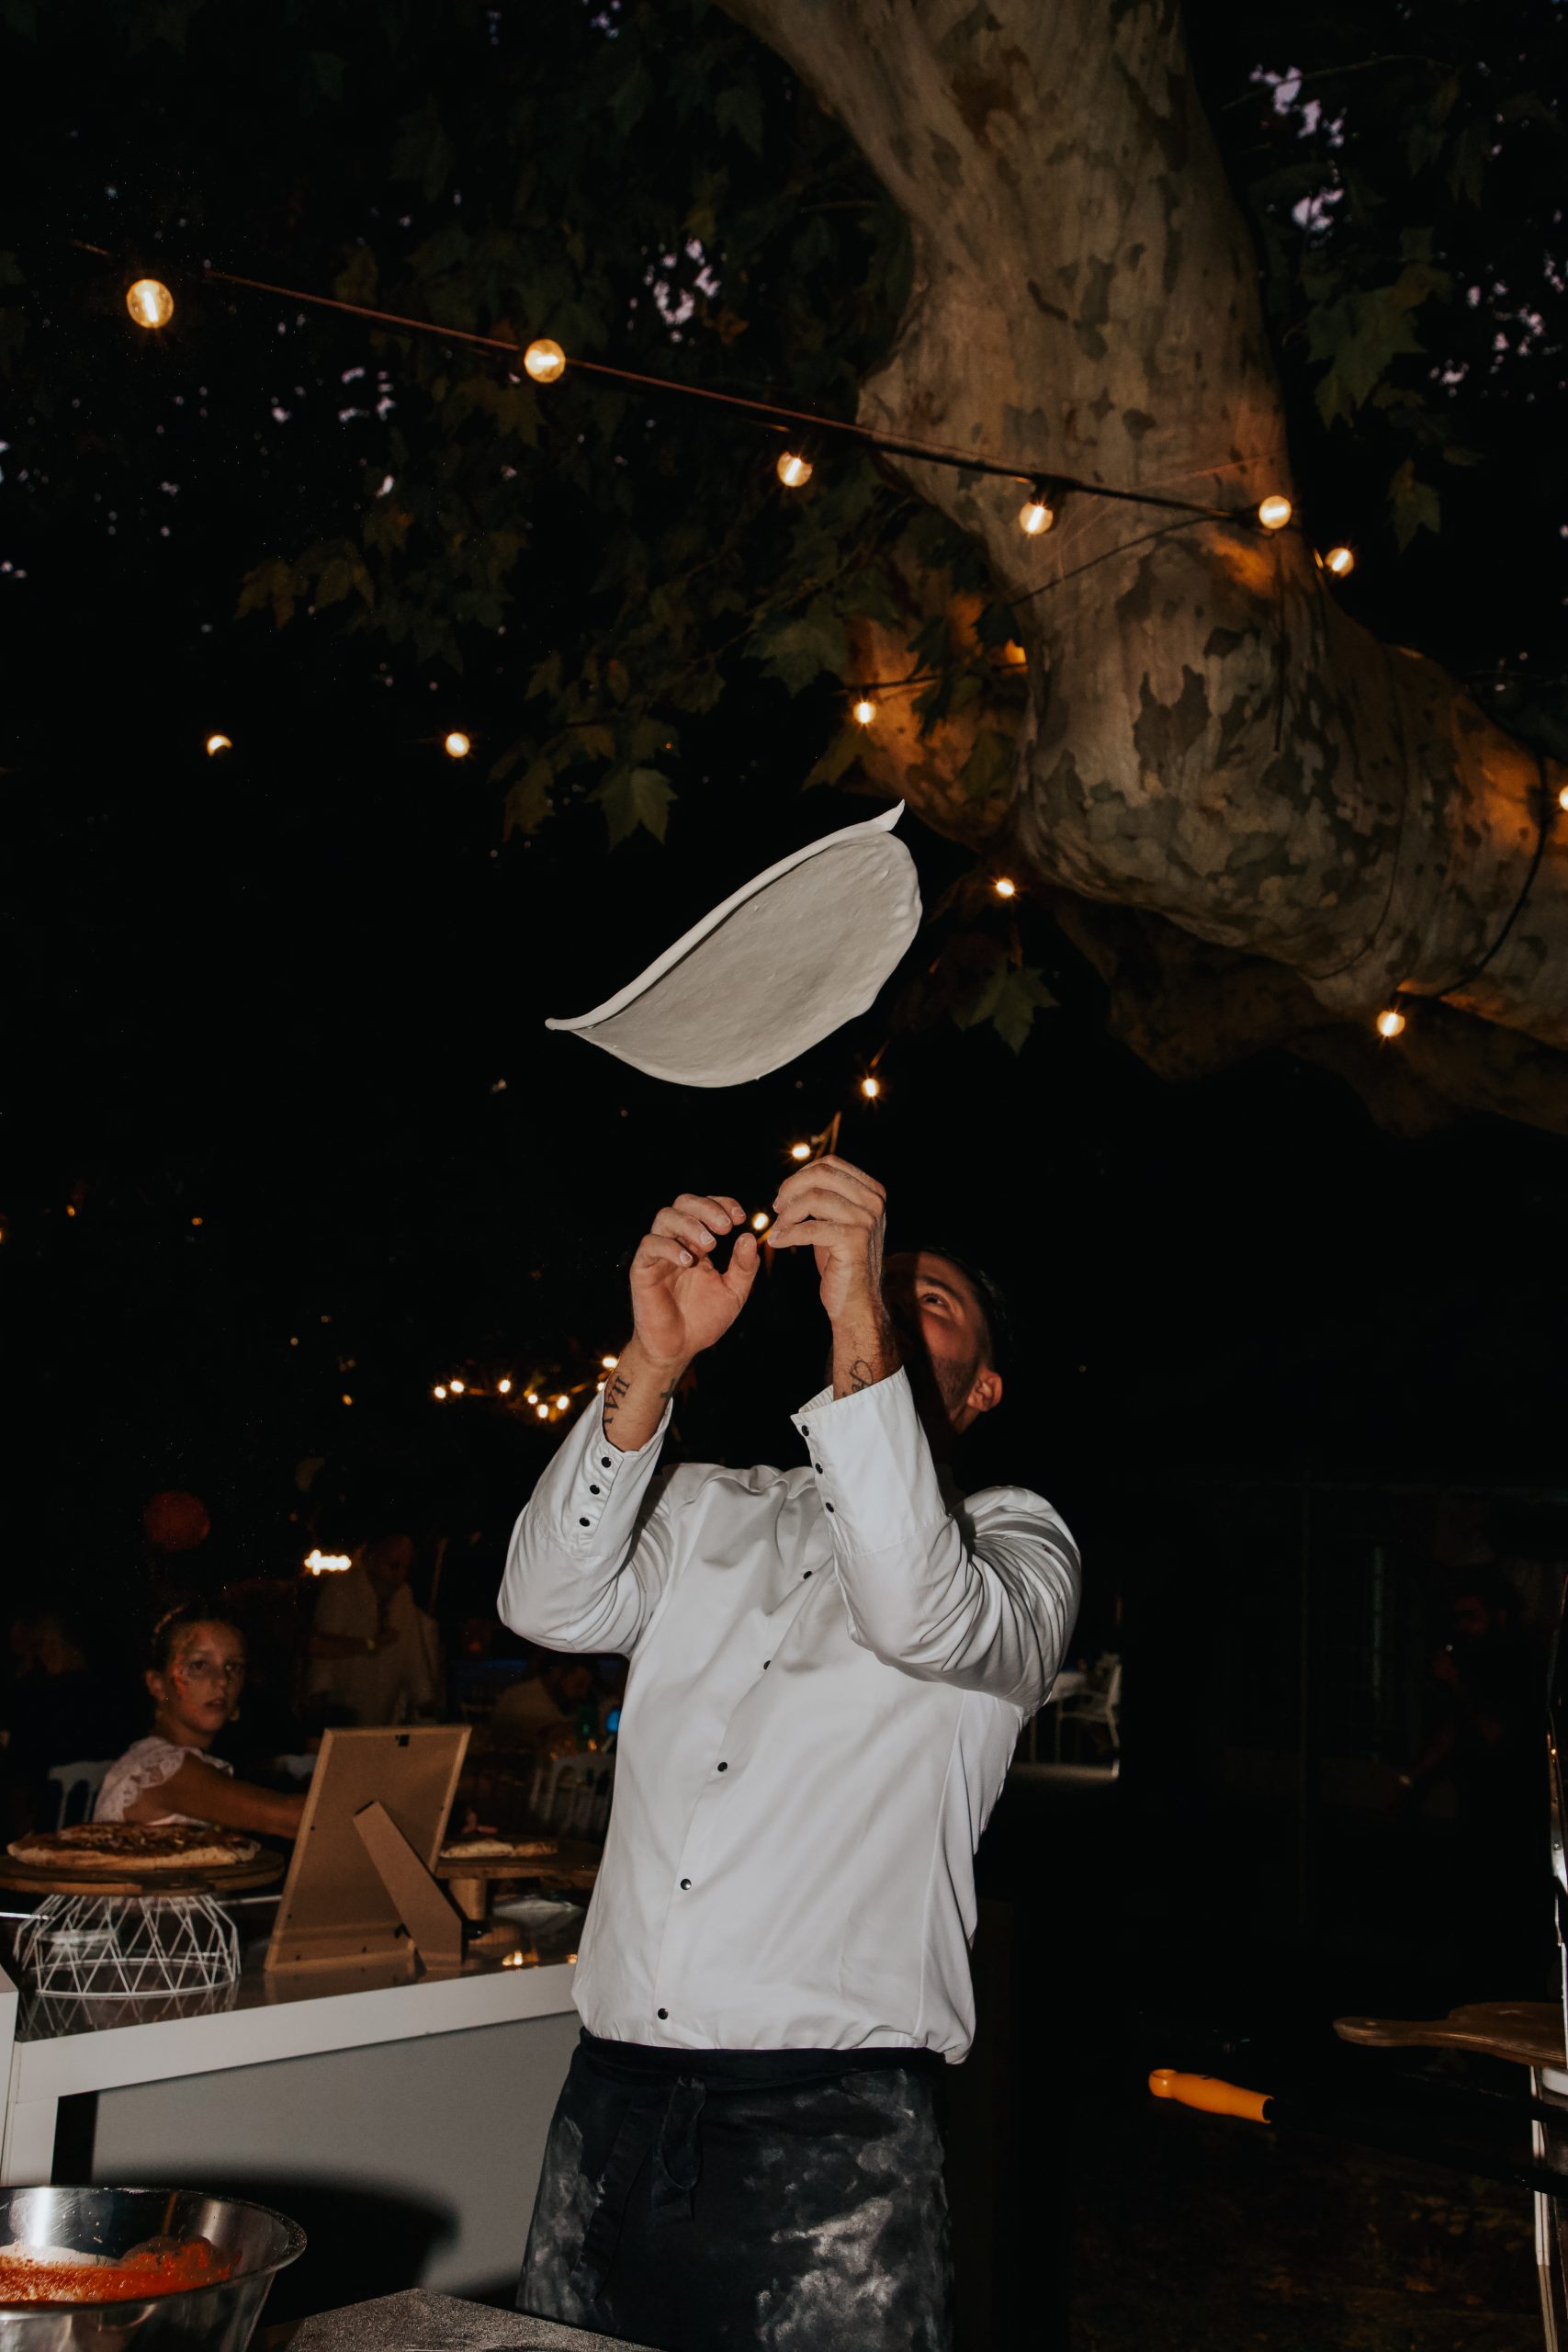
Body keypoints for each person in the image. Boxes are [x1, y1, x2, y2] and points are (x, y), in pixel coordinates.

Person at [500, 1156, 1080, 2351]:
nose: (889, 1298)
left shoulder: (1018, 1544)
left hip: (831, 2132)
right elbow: (545, 1603)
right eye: (880, 1282)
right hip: (609, 2099)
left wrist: (860, 1301)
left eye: (929, 1302)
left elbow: (916, 1610)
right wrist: (655, 1357)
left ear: (984, 1389)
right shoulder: (711, 1504)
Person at [95, 1603, 305, 1837]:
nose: (222, 1680)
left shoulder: (181, 1760)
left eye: (233, 1666)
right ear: (157, 1684)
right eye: (199, 1665)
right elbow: (293, 1819)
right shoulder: (163, 1768)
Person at [304, 1532, 443, 1726]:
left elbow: (414, 1655)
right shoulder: (342, 1588)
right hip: (341, 1705)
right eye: (394, 1565)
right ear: (372, 1558)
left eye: (406, 1567)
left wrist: (424, 1699)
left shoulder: (403, 1597)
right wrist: (319, 1692)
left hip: (380, 1709)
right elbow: (323, 1651)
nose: (400, 1574)